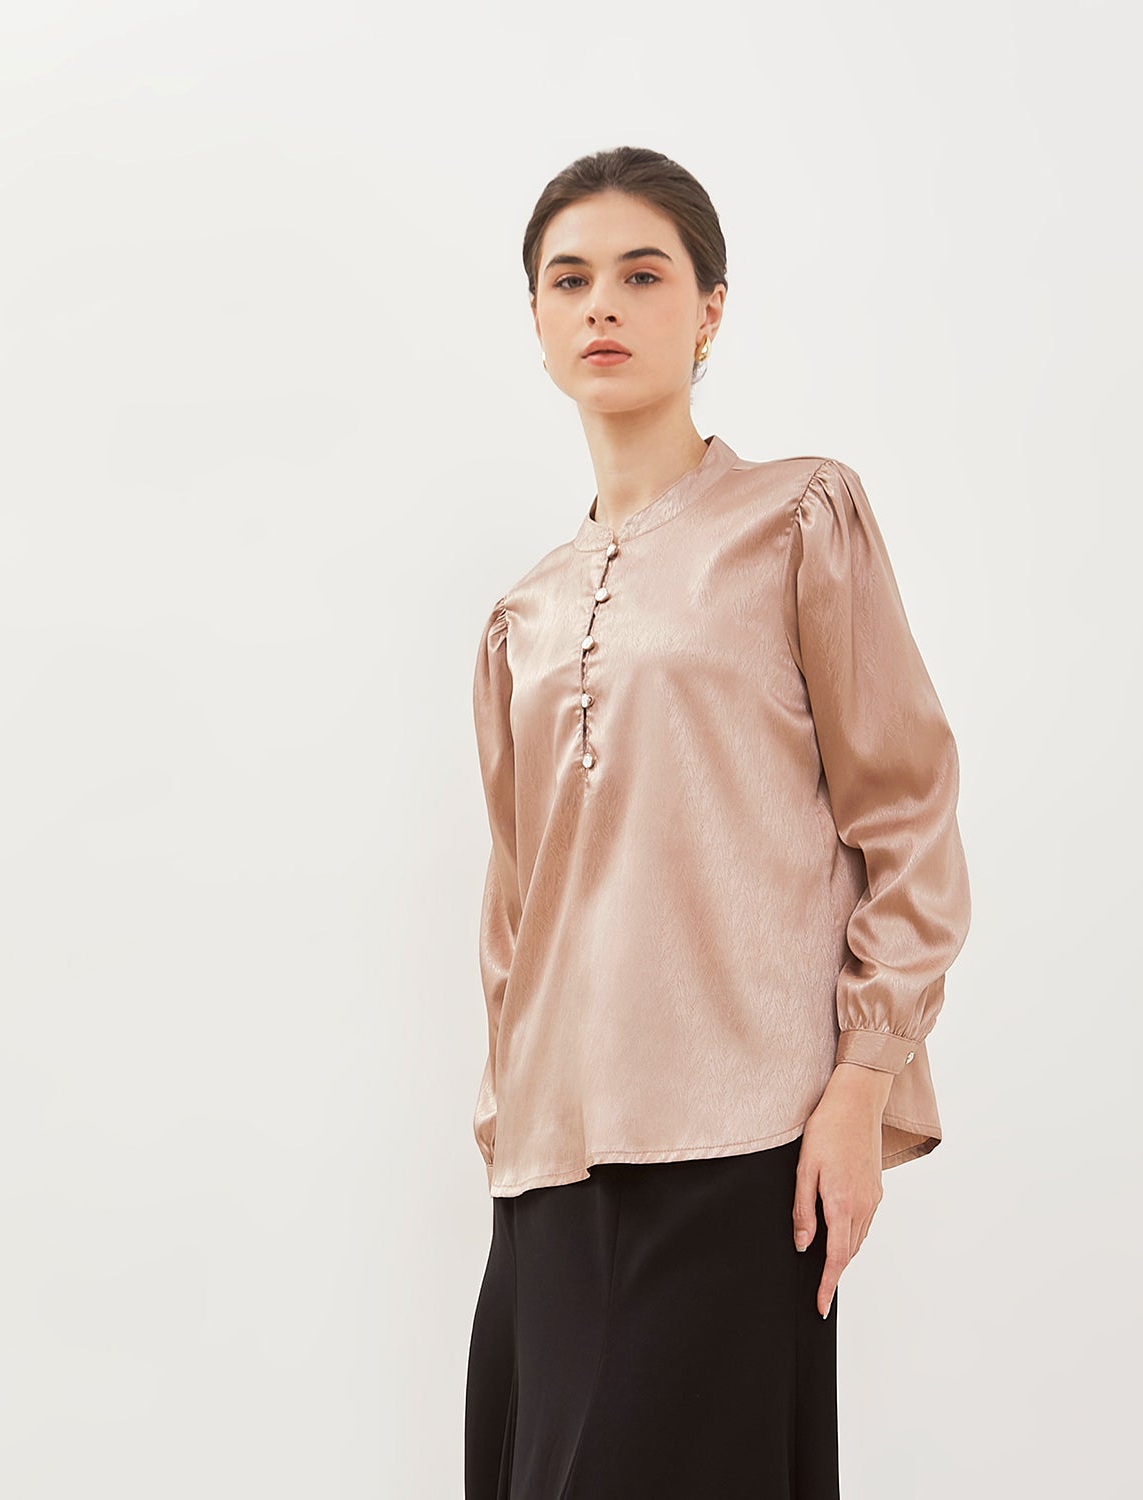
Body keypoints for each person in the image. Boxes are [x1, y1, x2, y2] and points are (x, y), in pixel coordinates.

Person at [463, 145, 972, 1500]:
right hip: (550, 1166)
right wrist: (505, 1130)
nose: (603, 304)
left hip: (744, 1140)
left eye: (644, 274)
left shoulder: (795, 520)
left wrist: (863, 1083)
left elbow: (908, 807)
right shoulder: (521, 619)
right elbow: (515, 902)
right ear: (536, 323)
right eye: (569, 280)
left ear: (710, 310)